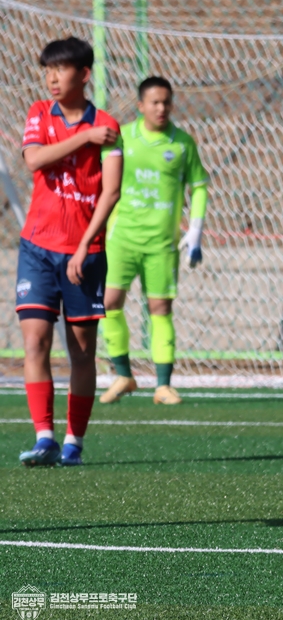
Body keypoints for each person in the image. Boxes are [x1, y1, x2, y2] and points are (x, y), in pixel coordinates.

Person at [17, 36, 123, 467]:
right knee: (35, 341)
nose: (52, 78)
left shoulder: (108, 127)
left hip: (85, 254)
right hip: (37, 248)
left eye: (60, 69)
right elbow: (34, 160)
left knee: (81, 351)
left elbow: (111, 192)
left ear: (84, 74)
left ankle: (73, 443)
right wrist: (83, 139)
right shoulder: (40, 113)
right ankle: (44, 437)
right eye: (48, 70)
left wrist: (83, 248)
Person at [99, 76, 209, 406]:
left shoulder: (182, 143)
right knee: (108, 304)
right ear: (141, 106)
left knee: (160, 308)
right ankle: (123, 375)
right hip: (122, 238)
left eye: (166, 102)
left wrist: (195, 230)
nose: (161, 108)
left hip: (162, 243)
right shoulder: (122, 138)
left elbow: (199, 186)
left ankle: (163, 386)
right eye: (155, 102)